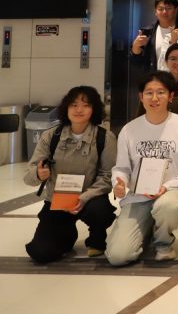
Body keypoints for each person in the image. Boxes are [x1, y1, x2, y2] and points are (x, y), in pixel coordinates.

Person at [107, 71, 178, 265]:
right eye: (149, 93)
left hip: (172, 192)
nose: (154, 98)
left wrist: (167, 186)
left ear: (171, 96)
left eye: (161, 92)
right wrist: (119, 182)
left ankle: (163, 243)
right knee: (118, 257)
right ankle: (147, 229)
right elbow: (122, 167)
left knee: (167, 206)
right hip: (138, 196)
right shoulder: (129, 130)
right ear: (141, 97)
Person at [24, 85, 116, 263]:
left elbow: (107, 176)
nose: (79, 110)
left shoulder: (105, 137)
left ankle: (97, 237)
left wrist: (84, 197)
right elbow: (29, 175)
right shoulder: (51, 136)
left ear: (94, 109)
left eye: (86, 105)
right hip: (58, 202)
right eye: (74, 105)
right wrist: (39, 173)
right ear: (66, 108)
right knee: (41, 253)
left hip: (90, 200)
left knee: (99, 211)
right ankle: (67, 233)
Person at [130, 0, 178, 72]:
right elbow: (136, 62)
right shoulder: (147, 32)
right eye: (160, 9)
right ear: (155, 12)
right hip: (156, 77)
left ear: (176, 10)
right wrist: (135, 47)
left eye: (169, 8)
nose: (164, 12)